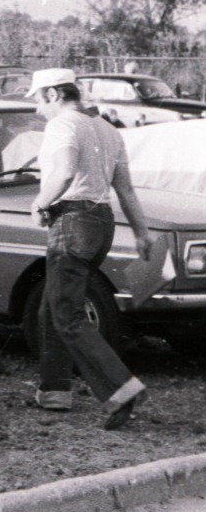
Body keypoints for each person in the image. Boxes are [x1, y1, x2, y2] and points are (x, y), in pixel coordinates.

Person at [26, 68, 157, 429]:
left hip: (71, 220)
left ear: (53, 95)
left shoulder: (62, 125)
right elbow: (126, 190)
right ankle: (54, 391)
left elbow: (65, 171)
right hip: (102, 222)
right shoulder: (109, 129)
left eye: (39, 99)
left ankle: (122, 389)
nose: (38, 109)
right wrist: (142, 233)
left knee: (66, 314)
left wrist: (39, 203)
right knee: (52, 305)